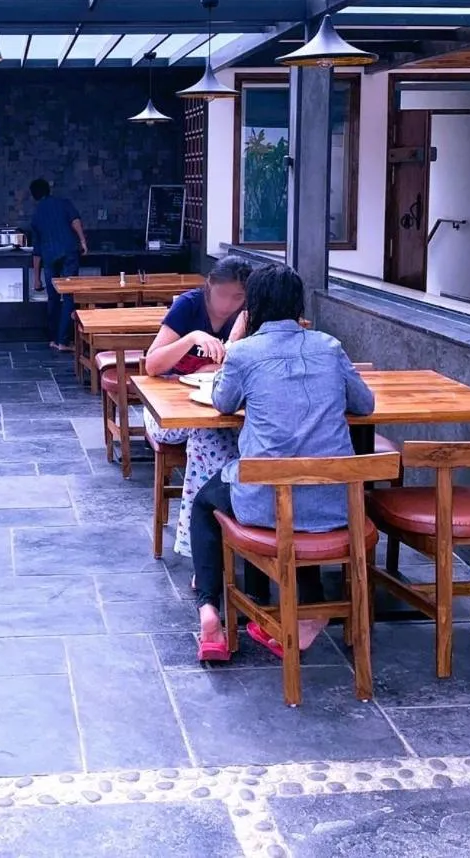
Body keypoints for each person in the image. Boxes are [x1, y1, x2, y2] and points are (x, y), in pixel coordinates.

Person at [190, 263, 375, 661]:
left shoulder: (244, 354)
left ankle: (209, 612)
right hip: (336, 504)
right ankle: (310, 612)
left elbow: (223, 402)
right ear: (298, 306)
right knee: (302, 491)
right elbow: (365, 404)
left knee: (205, 503)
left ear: (252, 308)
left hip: (266, 503)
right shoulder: (330, 347)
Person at [142, 256, 252, 558]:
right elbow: (152, 365)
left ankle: (212, 542)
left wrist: (236, 336)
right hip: (166, 412)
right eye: (223, 294)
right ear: (209, 285)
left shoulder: (245, 315)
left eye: (238, 297)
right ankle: (209, 544)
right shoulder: (188, 306)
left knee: (221, 439)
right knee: (212, 439)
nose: (228, 304)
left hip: (217, 412)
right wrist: (192, 338)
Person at [29, 178, 88, 351]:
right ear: (48, 190)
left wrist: (36, 279)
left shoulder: (36, 215)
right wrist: (83, 241)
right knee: (68, 295)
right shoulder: (63, 203)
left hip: (49, 257)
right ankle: (63, 341)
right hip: (69, 253)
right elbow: (75, 221)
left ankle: (54, 339)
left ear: (34, 196)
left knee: (53, 297)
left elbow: (37, 251)